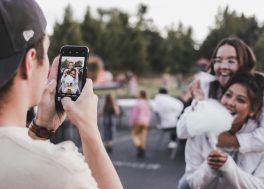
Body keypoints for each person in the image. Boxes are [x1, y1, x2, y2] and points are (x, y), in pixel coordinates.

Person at [0, 0, 123, 189]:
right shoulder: (62, 170)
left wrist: (40, 129)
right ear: (29, 62)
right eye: (47, 52)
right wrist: (88, 128)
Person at [177, 36, 264, 189]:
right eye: (218, 60)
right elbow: (182, 130)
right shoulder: (207, 86)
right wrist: (198, 104)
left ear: (244, 64)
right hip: (225, 151)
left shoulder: (263, 87)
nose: (223, 66)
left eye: (231, 61)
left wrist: (230, 140)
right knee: (185, 185)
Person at [184, 73, 264, 188]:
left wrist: (228, 167)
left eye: (240, 100)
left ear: (252, 110)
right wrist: (209, 168)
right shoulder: (200, 132)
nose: (230, 103)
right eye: (228, 95)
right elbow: (193, 183)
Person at [128, 90, 152, 158]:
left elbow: (134, 114)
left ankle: (139, 147)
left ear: (140, 95)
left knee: (134, 135)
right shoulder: (147, 103)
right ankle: (142, 149)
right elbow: (149, 114)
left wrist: (131, 122)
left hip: (138, 122)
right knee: (142, 136)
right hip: (145, 122)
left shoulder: (138, 103)